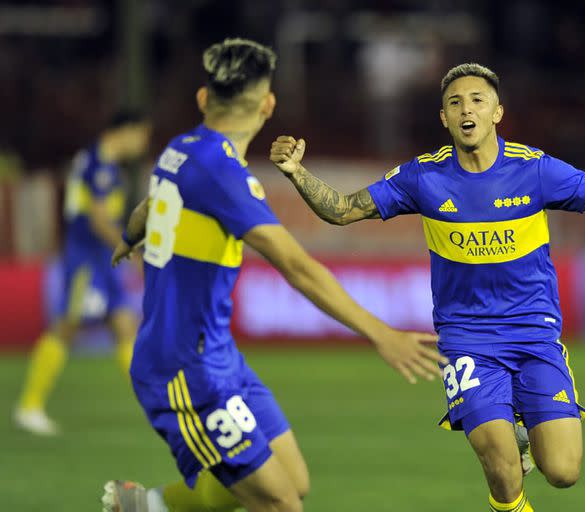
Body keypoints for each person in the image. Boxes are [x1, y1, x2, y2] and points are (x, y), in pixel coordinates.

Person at [269, 63, 585, 512]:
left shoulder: (536, 170)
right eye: (455, 102)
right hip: (467, 340)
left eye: (477, 100)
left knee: (563, 471)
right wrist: (297, 174)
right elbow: (341, 209)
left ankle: (524, 428)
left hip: (535, 334)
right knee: (499, 465)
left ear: (497, 112)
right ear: (443, 117)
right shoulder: (423, 177)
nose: (467, 110)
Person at [101, 38, 444, 512]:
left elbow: (150, 203)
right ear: (268, 105)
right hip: (184, 368)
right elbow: (297, 267)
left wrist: (130, 235)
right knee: (280, 503)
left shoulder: (181, 149)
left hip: (218, 355)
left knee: (293, 481)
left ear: (204, 98)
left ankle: (146, 506)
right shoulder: (224, 176)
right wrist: (381, 333)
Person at [14, 110, 150, 436]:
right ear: (126, 131)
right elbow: (99, 220)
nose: (143, 143)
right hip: (87, 259)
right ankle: (29, 406)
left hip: (100, 258)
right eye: (142, 134)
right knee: (66, 326)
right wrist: (129, 247)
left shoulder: (93, 159)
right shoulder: (101, 165)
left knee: (124, 323)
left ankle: (154, 405)